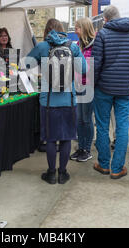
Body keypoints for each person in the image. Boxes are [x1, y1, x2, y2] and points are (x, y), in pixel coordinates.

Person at [27, 18, 86, 185]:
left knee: (51, 139)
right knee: (66, 138)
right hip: (69, 100)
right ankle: (63, 173)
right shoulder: (72, 47)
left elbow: (25, 64)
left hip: (48, 102)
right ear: (62, 30)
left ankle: (51, 173)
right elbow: (84, 69)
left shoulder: (42, 46)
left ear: (47, 31)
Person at [91, 5, 129, 179]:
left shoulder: (102, 35)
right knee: (122, 126)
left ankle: (104, 164)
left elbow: (96, 64)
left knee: (102, 125)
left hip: (104, 88)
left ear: (105, 19)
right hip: (125, 89)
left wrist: (93, 84)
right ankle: (117, 168)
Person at [69, 17, 95, 162]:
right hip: (77, 87)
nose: (75, 31)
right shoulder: (77, 45)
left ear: (84, 29)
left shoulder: (95, 46)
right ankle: (80, 148)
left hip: (89, 87)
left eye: (77, 28)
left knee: (87, 119)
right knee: (78, 119)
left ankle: (87, 149)